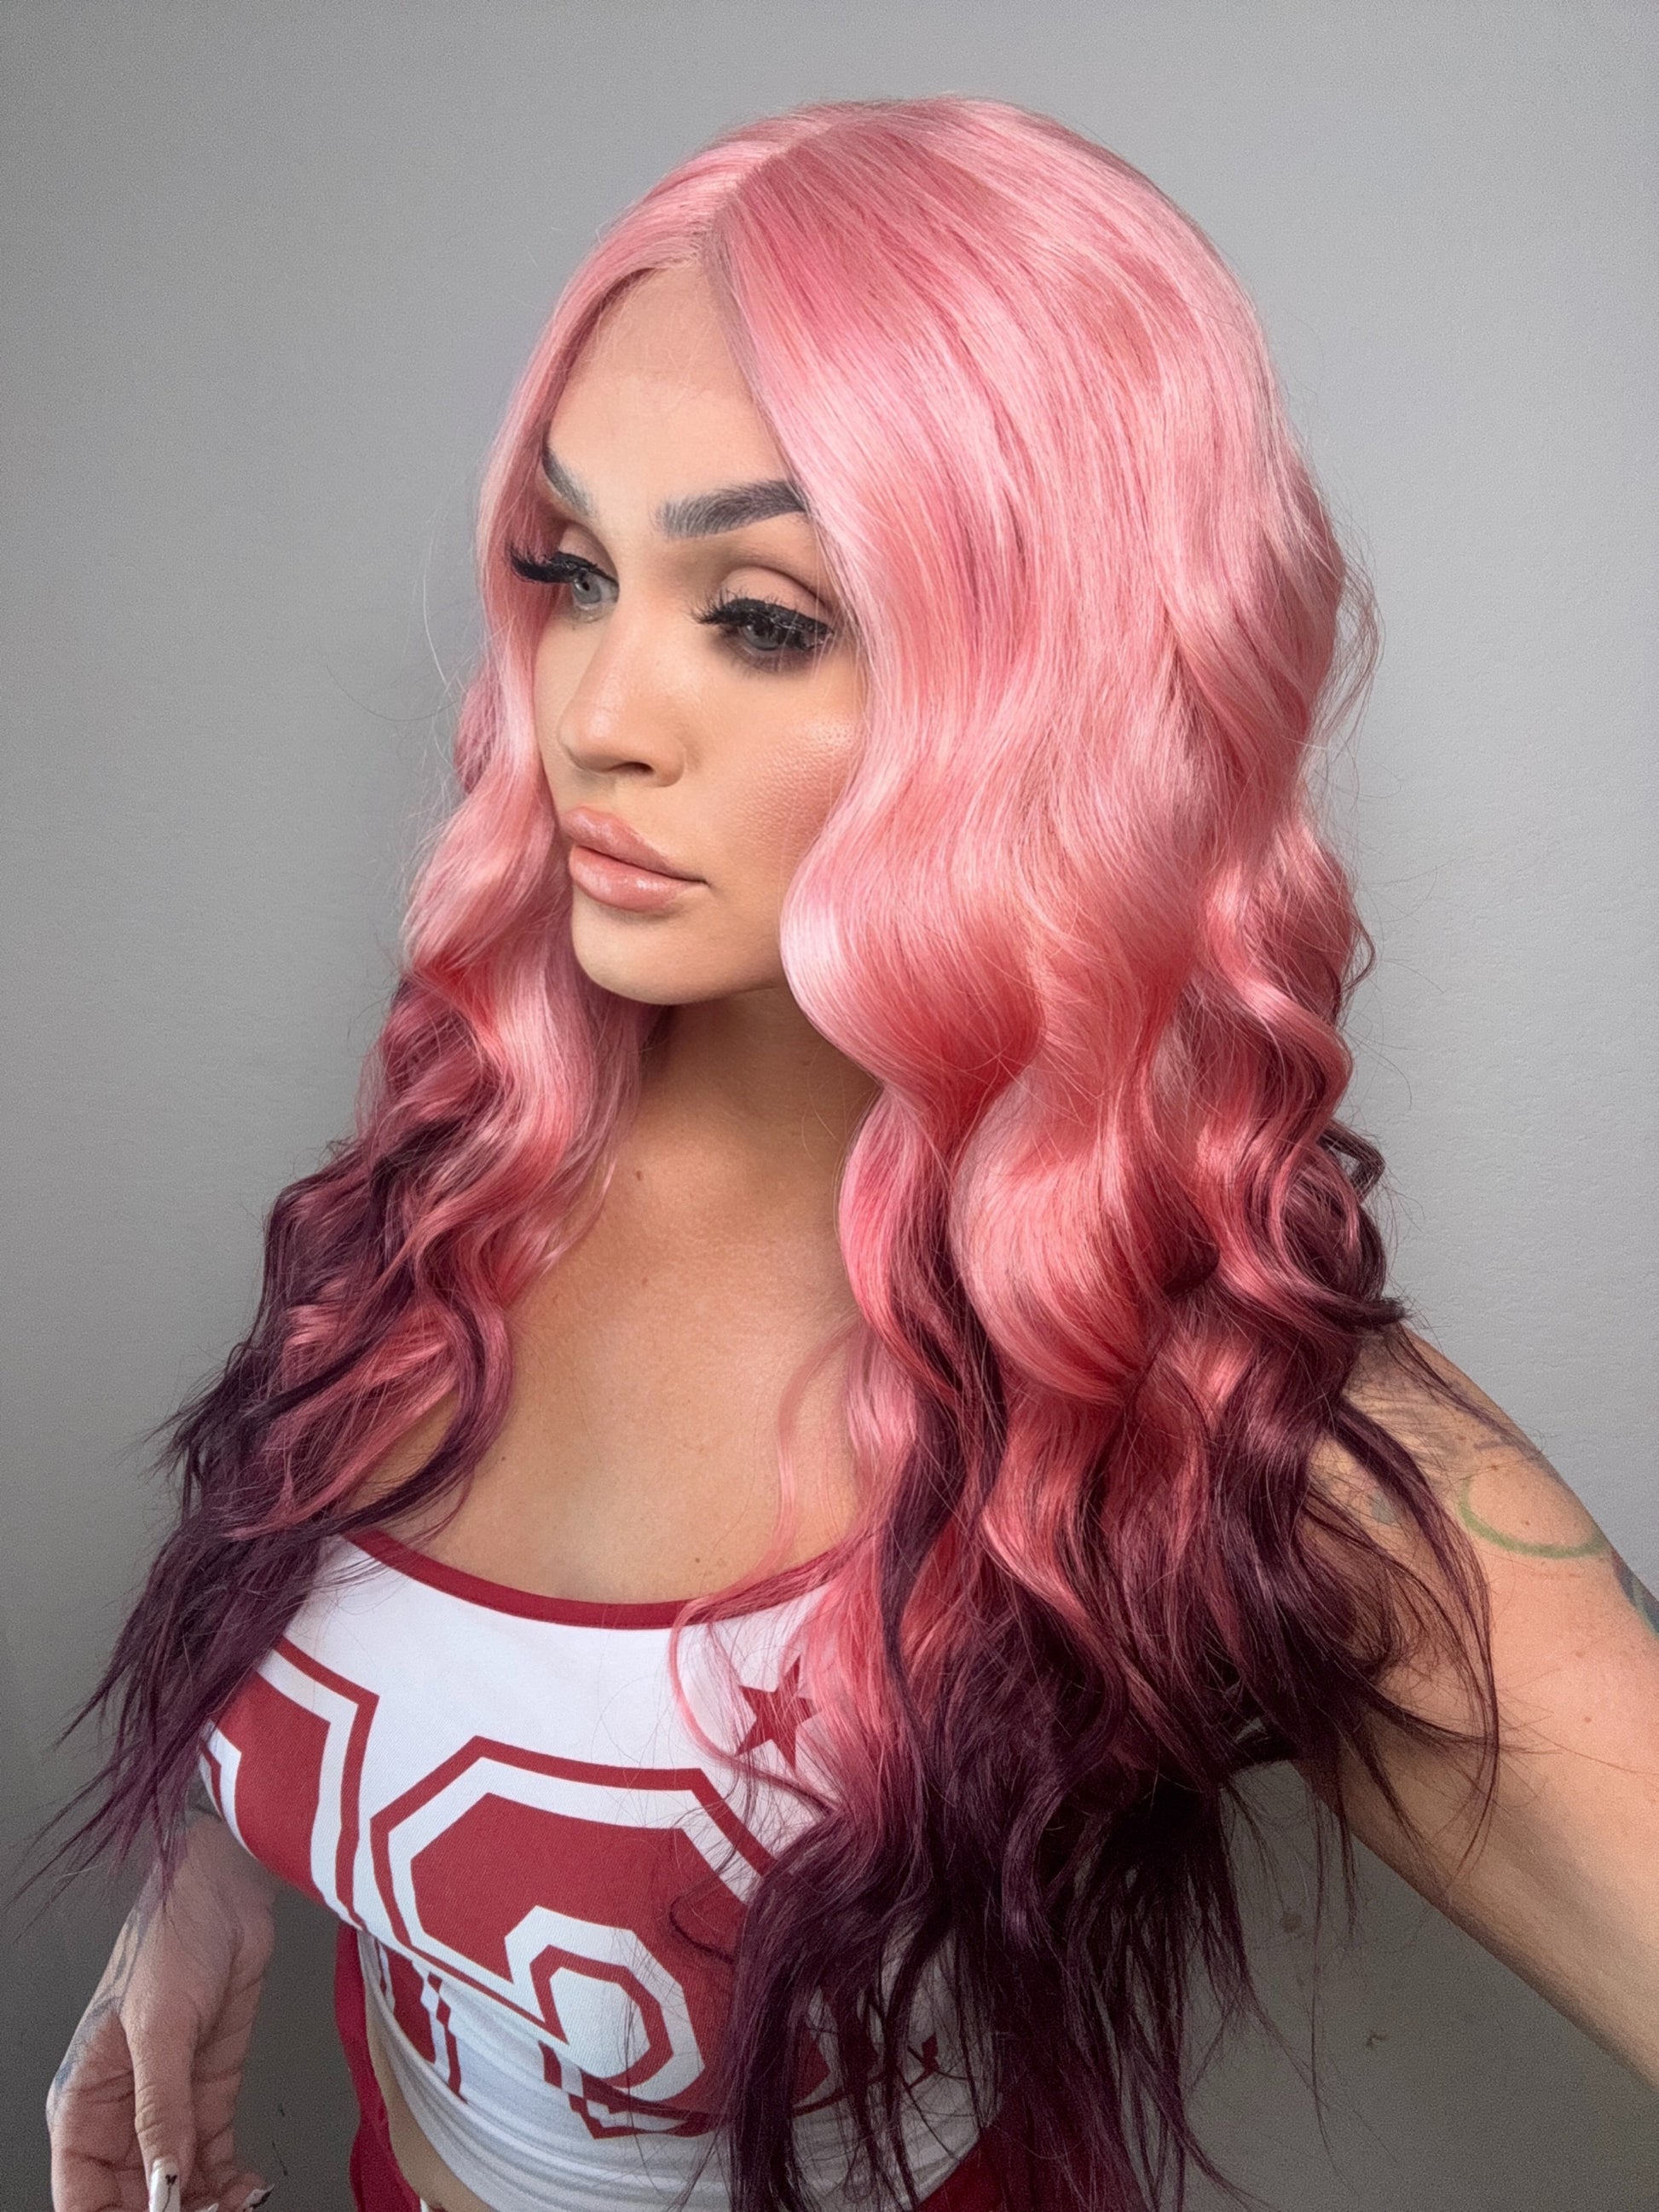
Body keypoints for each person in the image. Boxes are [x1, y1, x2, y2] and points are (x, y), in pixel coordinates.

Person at [42, 92, 1659, 2212]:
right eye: (573, 570)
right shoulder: (461, 1159)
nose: (590, 715)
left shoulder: (1217, 1417)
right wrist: (209, 1867)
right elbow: (384, 1670)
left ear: (1057, 690)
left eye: (764, 616)